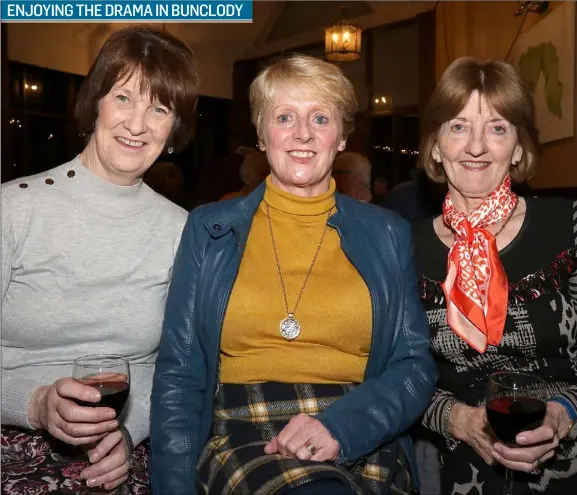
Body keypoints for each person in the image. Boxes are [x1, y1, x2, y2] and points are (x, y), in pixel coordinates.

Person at [150, 53, 436, 495]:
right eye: (285, 117)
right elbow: (180, 376)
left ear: (341, 137)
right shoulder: (209, 228)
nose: (303, 133)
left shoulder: (387, 234)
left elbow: (414, 367)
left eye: (321, 118)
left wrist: (341, 426)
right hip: (245, 437)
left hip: (356, 430)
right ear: (262, 134)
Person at [1, 26, 199, 494]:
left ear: (174, 129)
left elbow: (179, 366)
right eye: (124, 97)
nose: (138, 124)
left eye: (160, 108)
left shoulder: (182, 231)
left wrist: (129, 434)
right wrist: (34, 403)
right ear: (95, 103)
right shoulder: (12, 209)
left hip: (123, 446)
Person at [414, 57, 577, 494]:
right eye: (459, 126)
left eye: (498, 128)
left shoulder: (570, 228)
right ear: (434, 146)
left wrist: (565, 411)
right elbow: (395, 375)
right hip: (463, 466)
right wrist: (456, 419)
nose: (476, 147)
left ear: (519, 148)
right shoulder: (402, 250)